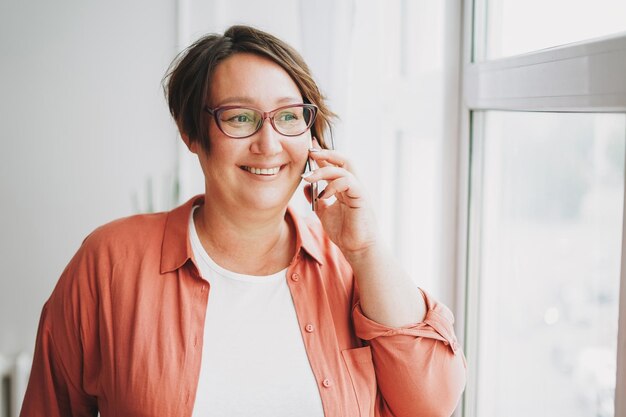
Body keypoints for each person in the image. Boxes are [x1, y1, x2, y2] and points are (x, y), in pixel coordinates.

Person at [20, 25, 466, 417]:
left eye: (289, 116)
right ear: (192, 133)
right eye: (240, 118)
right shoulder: (109, 262)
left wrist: (366, 251)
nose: (269, 144)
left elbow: (431, 404)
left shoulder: (351, 264)